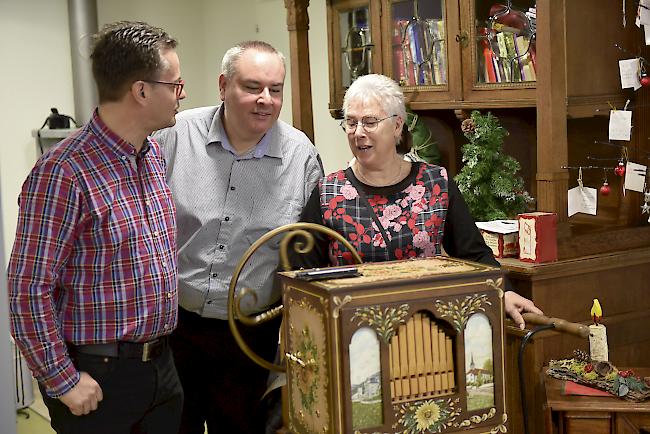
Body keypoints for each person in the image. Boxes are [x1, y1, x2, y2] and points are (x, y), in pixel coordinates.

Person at [8, 21, 186, 434]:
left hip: (161, 368)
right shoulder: (63, 173)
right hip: (98, 377)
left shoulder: (152, 154)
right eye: (175, 84)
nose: (182, 94)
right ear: (141, 91)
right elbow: (27, 287)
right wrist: (61, 379)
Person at [152, 40, 323, 434]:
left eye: (275, 90)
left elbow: (311, 254)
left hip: (251, 337)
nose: (265, 99)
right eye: (252, 87)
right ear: (223, 85)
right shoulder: (173, 138)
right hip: (174, 330)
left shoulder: (301, 158)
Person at [294, 73, 542, 328]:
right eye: (351, 123)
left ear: (397, 126)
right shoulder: (328, 192)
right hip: (354, 335)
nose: (358, 133)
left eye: (369, 122)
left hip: (427, 334)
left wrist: (505, 291)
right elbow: (301, 272)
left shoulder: (436, 184)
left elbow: (473, 253)